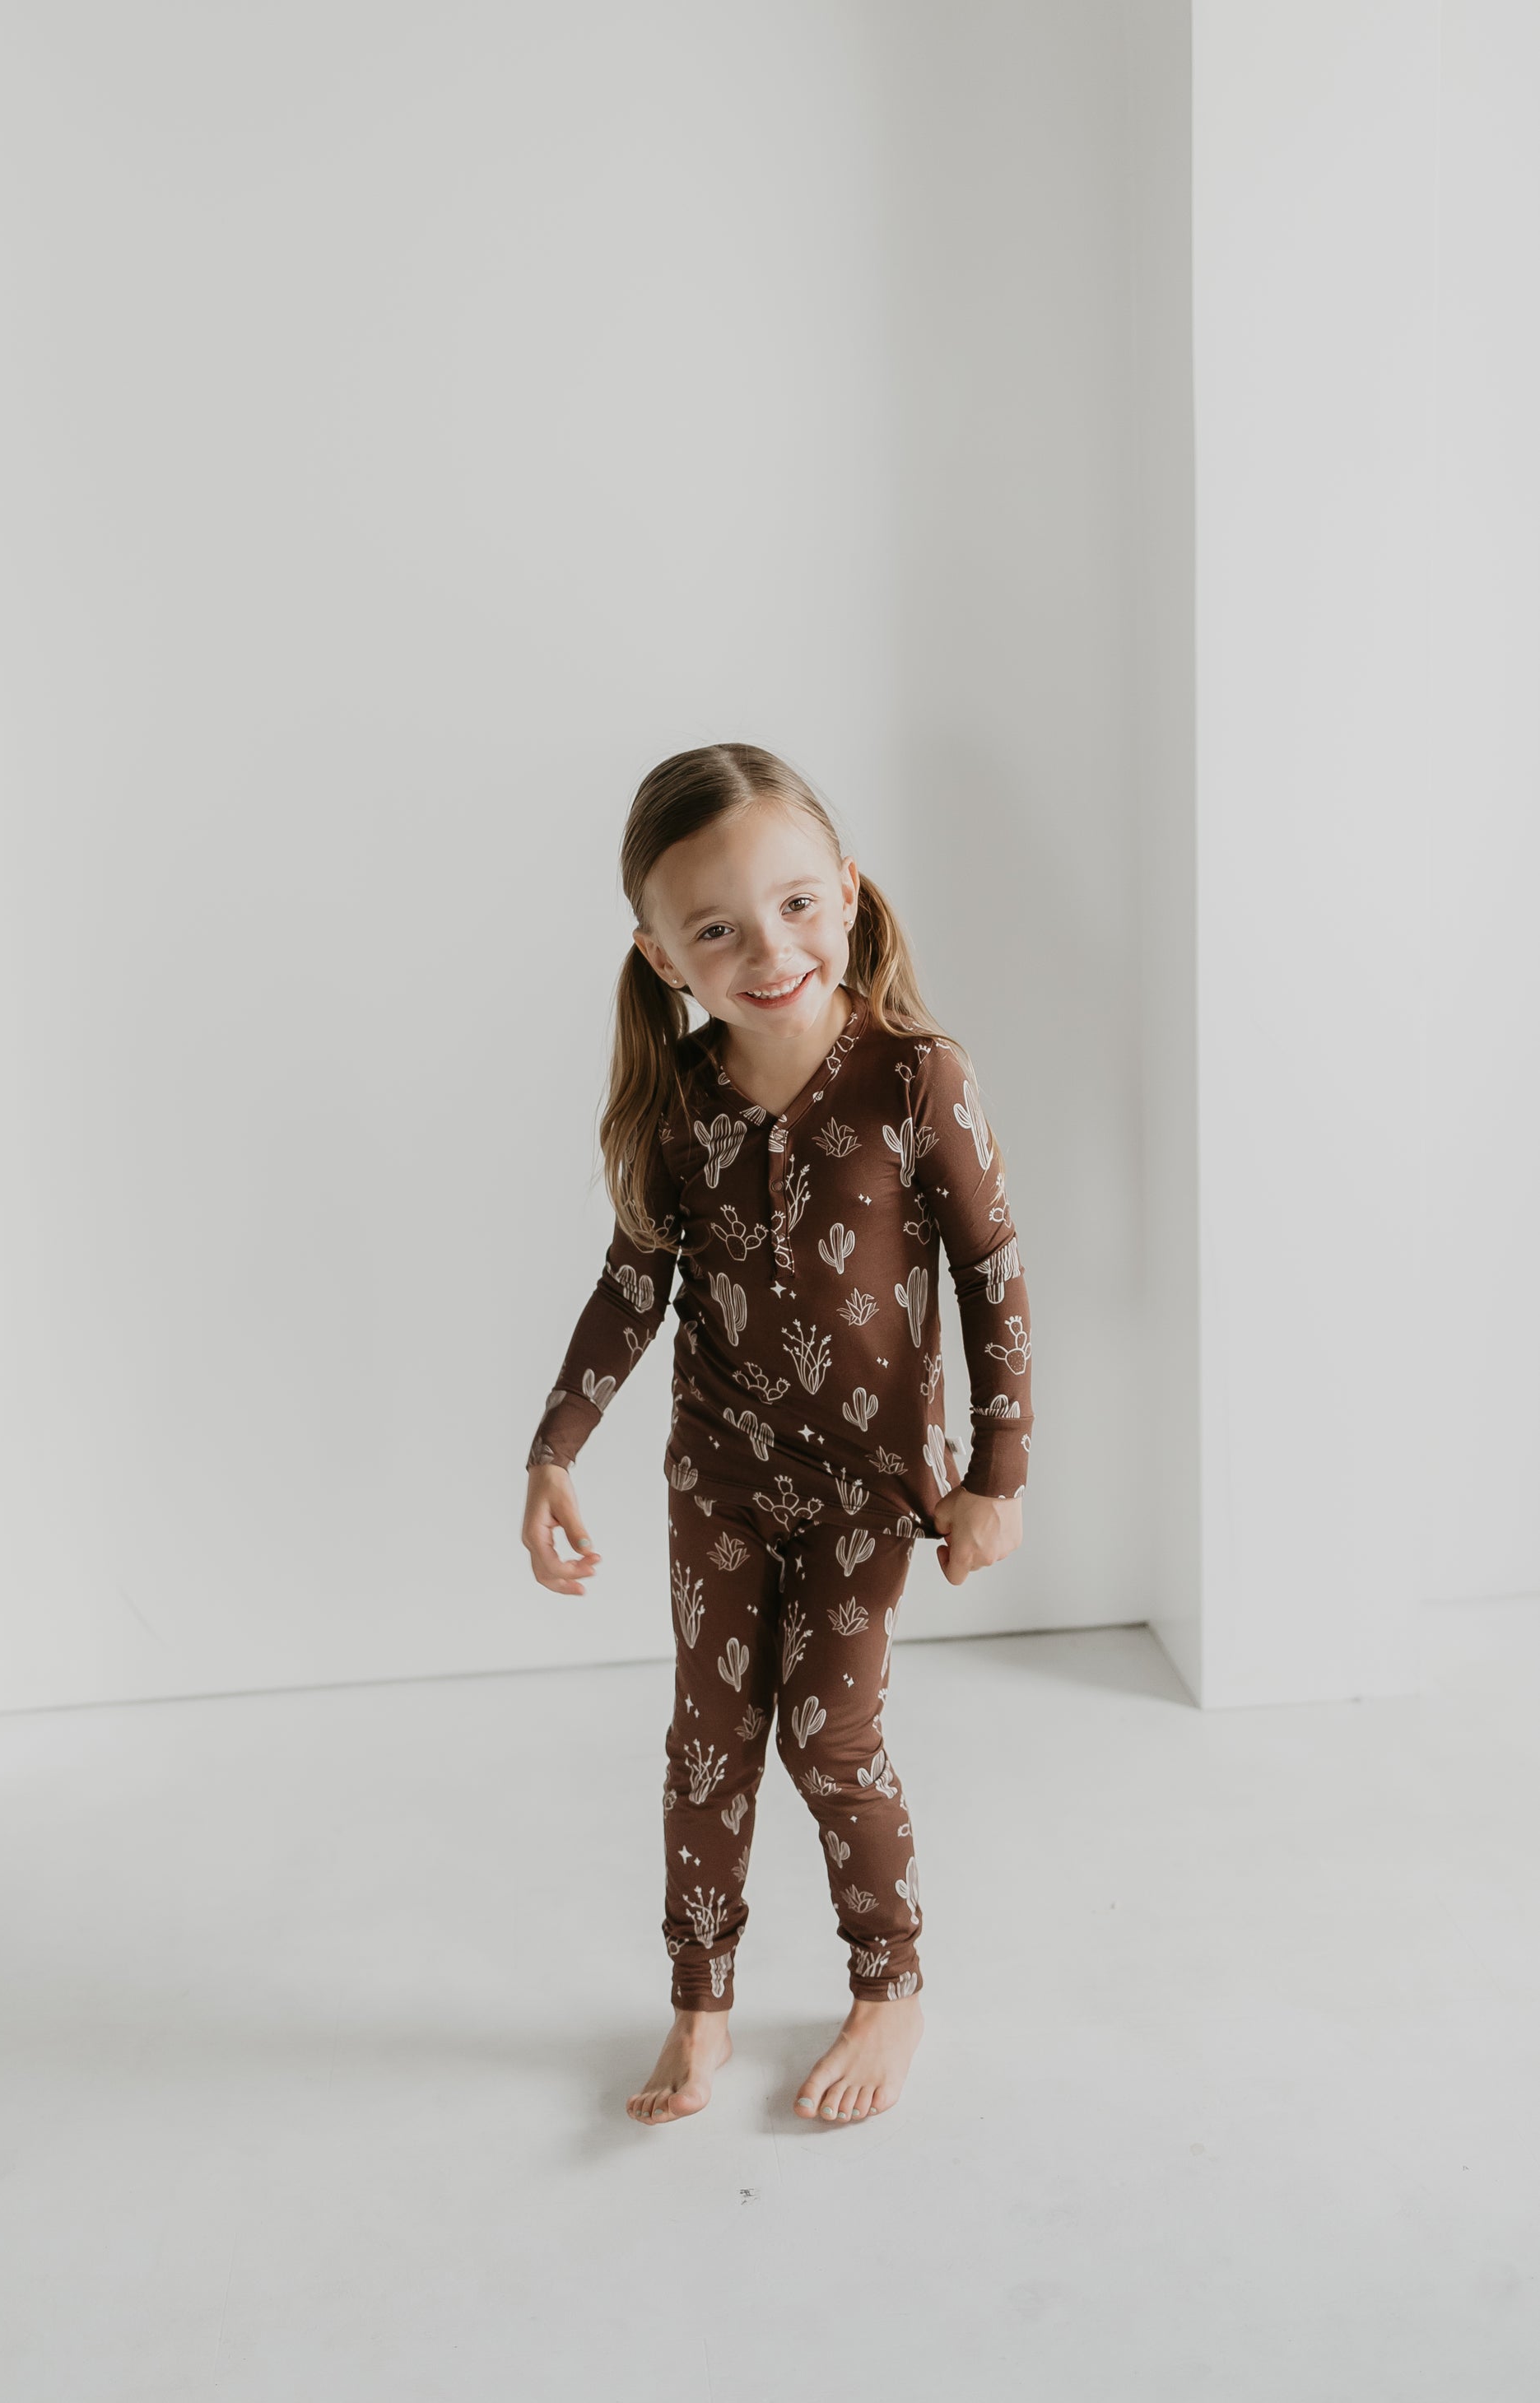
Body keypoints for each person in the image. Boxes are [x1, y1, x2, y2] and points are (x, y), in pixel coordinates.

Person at [520, 743, 1034, 2129]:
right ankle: (700, 2010)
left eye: (798, 905)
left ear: (848, 894)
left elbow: (990, 1271)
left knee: (827, 1735)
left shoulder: (917, 1077)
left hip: (871, 1486)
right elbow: (635, 1284)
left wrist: (996, 1475)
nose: (769, 949)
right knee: (706, 1741)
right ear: (660, 956)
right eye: (717, 930)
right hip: (721, 1480)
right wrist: (553, 1449)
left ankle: (890, 1983)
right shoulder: (680, 1100)